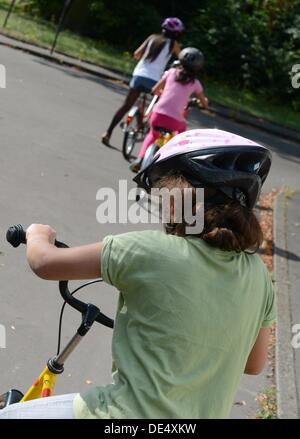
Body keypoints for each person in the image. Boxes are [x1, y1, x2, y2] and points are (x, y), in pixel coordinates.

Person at [0, 129, 275, 419]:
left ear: (187, 194)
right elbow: (254, 363)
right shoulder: (259, 277)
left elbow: (44, 263)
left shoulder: (150, 250)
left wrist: (37, 234)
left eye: (166, 191)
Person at [101, 17, 183, 147]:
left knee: (126, 105)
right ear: (177, 33)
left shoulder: (152, 38)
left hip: (139, 76)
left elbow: (136, 54)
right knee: (159, 105)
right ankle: (147, 123)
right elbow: (183, 61)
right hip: (154, 81)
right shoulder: (173, 44)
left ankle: (108, 132)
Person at [129, 47, 209, 173]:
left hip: (158, 114)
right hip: (175, 120)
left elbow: (155, 89)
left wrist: (164, 93)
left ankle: (139, 159)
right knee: (181, 134)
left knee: (152, 135)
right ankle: (173, 161)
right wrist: (203, 104)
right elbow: (203, 103)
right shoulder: (195, 83)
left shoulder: (171, 72)